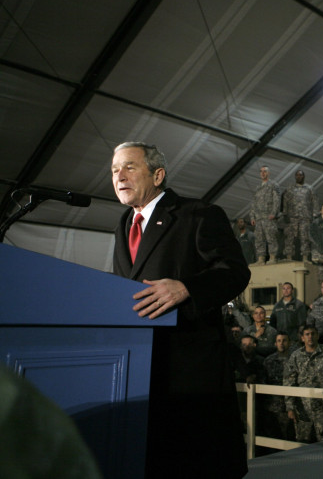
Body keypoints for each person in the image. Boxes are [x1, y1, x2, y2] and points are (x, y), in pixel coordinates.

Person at [111, 142, 249, 478]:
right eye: (115, 170)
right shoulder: (123, 223)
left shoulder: (198, 214)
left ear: (158, 174)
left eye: (130, 166)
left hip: (189, 371)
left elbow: (234, 271)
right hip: (141, 366)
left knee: (195, 463)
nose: (119, 176)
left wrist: (188, 288)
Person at [284, 325, 323, 443]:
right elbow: (289, 381)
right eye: (307, 334)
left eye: (313, 333)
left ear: (317, 336)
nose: (310, 337)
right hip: (302, 407)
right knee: (302, 442)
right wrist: (290, 407)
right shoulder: (296, 356)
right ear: (302, 338)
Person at [282, 170, 319, 261]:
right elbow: (285, 201)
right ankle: (289, 257)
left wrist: (315, 214)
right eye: (297, 175)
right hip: (292, 217)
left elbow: (315, 201)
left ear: (304, 177)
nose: (299, 177)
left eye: (301, 175)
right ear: (295, 177)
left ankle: (305, 257)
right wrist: (285, 213)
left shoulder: (309, 189)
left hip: (305, 217)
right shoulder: (290, 189)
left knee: (305, 237)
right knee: (289, 237)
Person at [263, 333, 294, 440]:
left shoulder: (295, 360)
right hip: (273, 407)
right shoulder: (268, 361)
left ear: (289, 343)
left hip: (291, 407)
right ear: (275, 343)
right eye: (279, 341)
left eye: (284, 340)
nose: (281, 343)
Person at [250, 165, 281, 265]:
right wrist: (252, 216)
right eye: (261, 171)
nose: (263, 173)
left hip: (269, 217)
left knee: (271, 237)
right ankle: (260, 259)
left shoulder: (273, 185)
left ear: (268, 173)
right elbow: (253, 203)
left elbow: (277, 200)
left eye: (265, 171)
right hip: (259, 218)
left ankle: (272, 257)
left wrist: (274, 213)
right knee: (259, 239)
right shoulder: (257, 188)